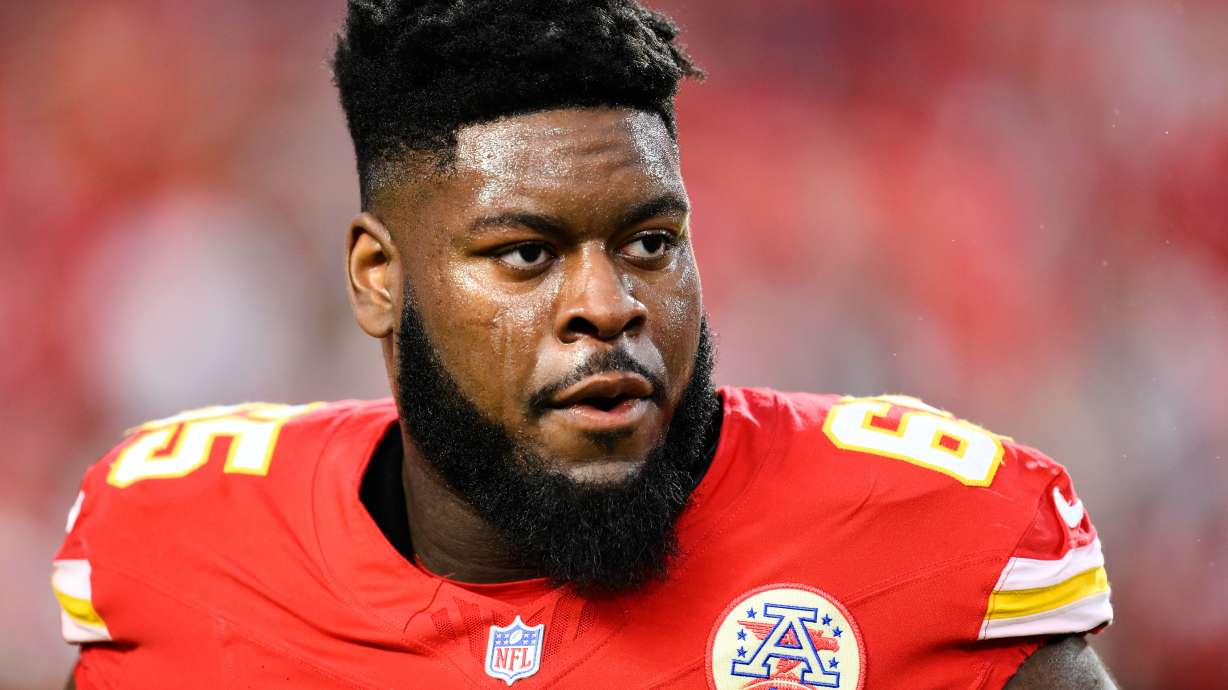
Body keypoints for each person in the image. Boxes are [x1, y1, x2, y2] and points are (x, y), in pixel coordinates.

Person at [52, 1, 1116, 688]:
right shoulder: (183, 550)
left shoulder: (924, 536)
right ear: (379, 280)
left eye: (651, 241)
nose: (608, 305)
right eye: (525, 255)